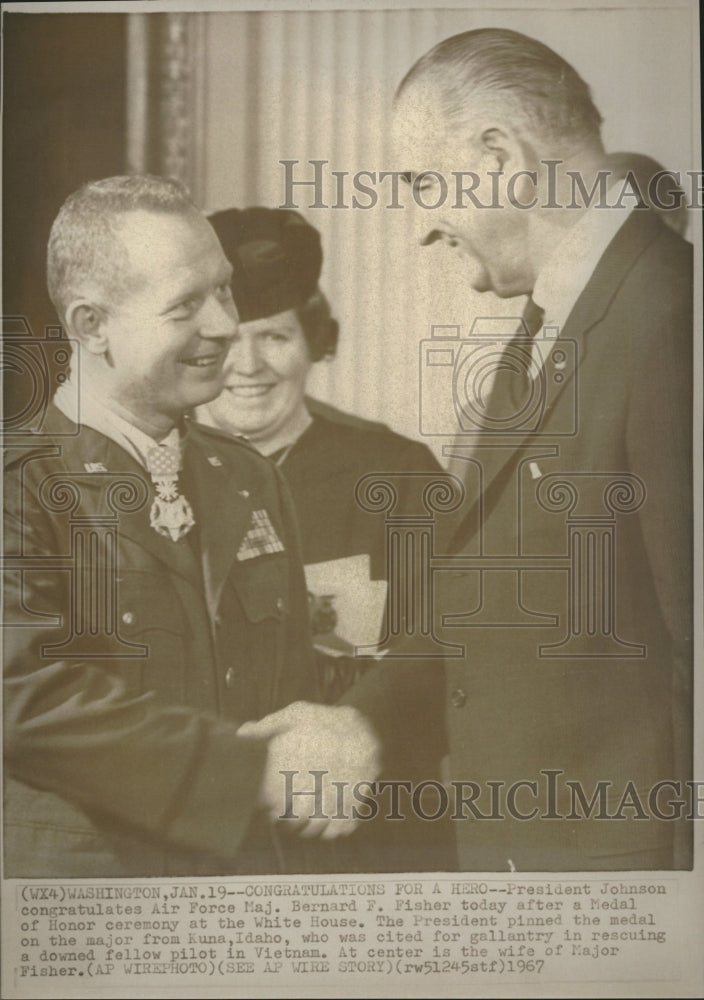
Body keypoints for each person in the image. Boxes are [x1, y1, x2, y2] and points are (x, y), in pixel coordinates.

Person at [254, 28, 694, 871]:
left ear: (500, 156)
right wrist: (361, 722)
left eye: (424, 183)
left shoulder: (669, 319)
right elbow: (486, 603)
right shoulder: (547, 328)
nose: (423, 225)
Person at [3, 175, 378, 878]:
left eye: (224, 290)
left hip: (246, 902)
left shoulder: (246, 475)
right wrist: (248, 771)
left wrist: (338, 728)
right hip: (92, 916)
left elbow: (289, 687)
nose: (223, 325)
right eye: (186, 305)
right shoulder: (20, 485)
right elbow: (24, 702)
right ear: (92, 326)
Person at [197, 207, 454, 871]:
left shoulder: (398, 473)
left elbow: (458, 642)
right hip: (204, 835)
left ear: (314, 341)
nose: (248, 366)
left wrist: (362, 726)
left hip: (367, 833)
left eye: (275, 337)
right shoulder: (147, 477)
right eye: (227, 342)